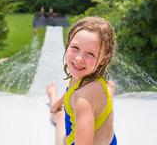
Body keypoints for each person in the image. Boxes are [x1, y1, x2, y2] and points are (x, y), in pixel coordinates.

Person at [46, 16, 117, 145]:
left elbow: (77, 95)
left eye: (90, 54)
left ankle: (53, 100)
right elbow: (72, 92)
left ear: (102, 59)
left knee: (59, 117)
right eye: (75, 48)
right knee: (106, 91)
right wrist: (58, 103)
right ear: (68, 44)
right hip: (110, 141)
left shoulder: (82, 99)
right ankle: (54, 101)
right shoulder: (88, 76)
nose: (79, 59)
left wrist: (55, 106)